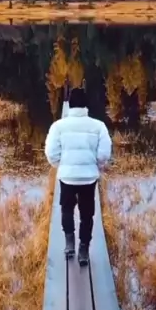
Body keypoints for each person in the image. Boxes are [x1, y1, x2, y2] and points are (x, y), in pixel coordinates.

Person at [44, 87, 112, 266]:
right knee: (87, 214)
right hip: (89, 178)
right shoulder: (99, 126)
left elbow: (51, 153)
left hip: (67, 177)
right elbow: (104, 153)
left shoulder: (58, 126)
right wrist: (95, 165)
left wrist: (62, 166)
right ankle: (84, 250)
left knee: (66, 209)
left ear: (70, 106)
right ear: (86, 106)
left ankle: (69, 244)